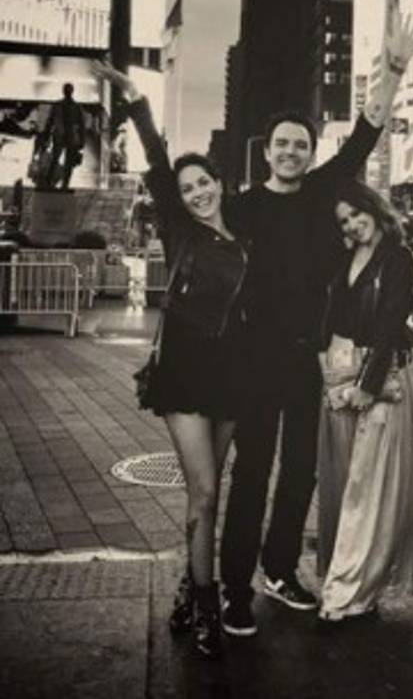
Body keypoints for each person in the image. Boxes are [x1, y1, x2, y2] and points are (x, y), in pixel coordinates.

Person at [219, 5, 413, 638]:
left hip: (310, 359)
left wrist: (393, 67)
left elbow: (367, 131)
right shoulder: (242, 208)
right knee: (252, 469)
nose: (290, 152)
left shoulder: (322, 190)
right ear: (266, 150)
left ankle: (280, 570)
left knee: (301, 469)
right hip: (254, 359)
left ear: (310, 155)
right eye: (282, 144)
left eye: (300, 146)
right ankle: (232, 587)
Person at [91, 60, 249, 658]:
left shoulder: (246, 239)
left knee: (218, 491)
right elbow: (157, 165)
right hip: (185, 375)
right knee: (203, 492)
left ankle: (191, 585)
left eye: (204, 183)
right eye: (187, 190)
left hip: (235, 378)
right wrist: (136, 104)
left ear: (220, 183)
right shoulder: (182, 233)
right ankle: (207, 610)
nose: (197, 193)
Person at [315, 181, 413, 628]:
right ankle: (361, 590)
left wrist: (369, 383)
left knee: (367, 487)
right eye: (344, 220)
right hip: (335, 377)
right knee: (343, 485)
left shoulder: (398, 259)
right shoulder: (342, 258)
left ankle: (342, 596)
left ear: (374, 210)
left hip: (374, 381)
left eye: (358, 214)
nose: (354, 224)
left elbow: (392, 321)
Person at [40, 82, 86, 189]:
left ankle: (64, 183)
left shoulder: (76, 107)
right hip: (61, 136)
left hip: (70, 137)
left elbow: (81, 125)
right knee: (55, 159)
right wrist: (46, 135)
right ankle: (50, 181)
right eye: (66, 90)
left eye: (68, 90)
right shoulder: (58, 106)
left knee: (68, 162)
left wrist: (82, 141)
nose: (67, 92)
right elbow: (50, 121)